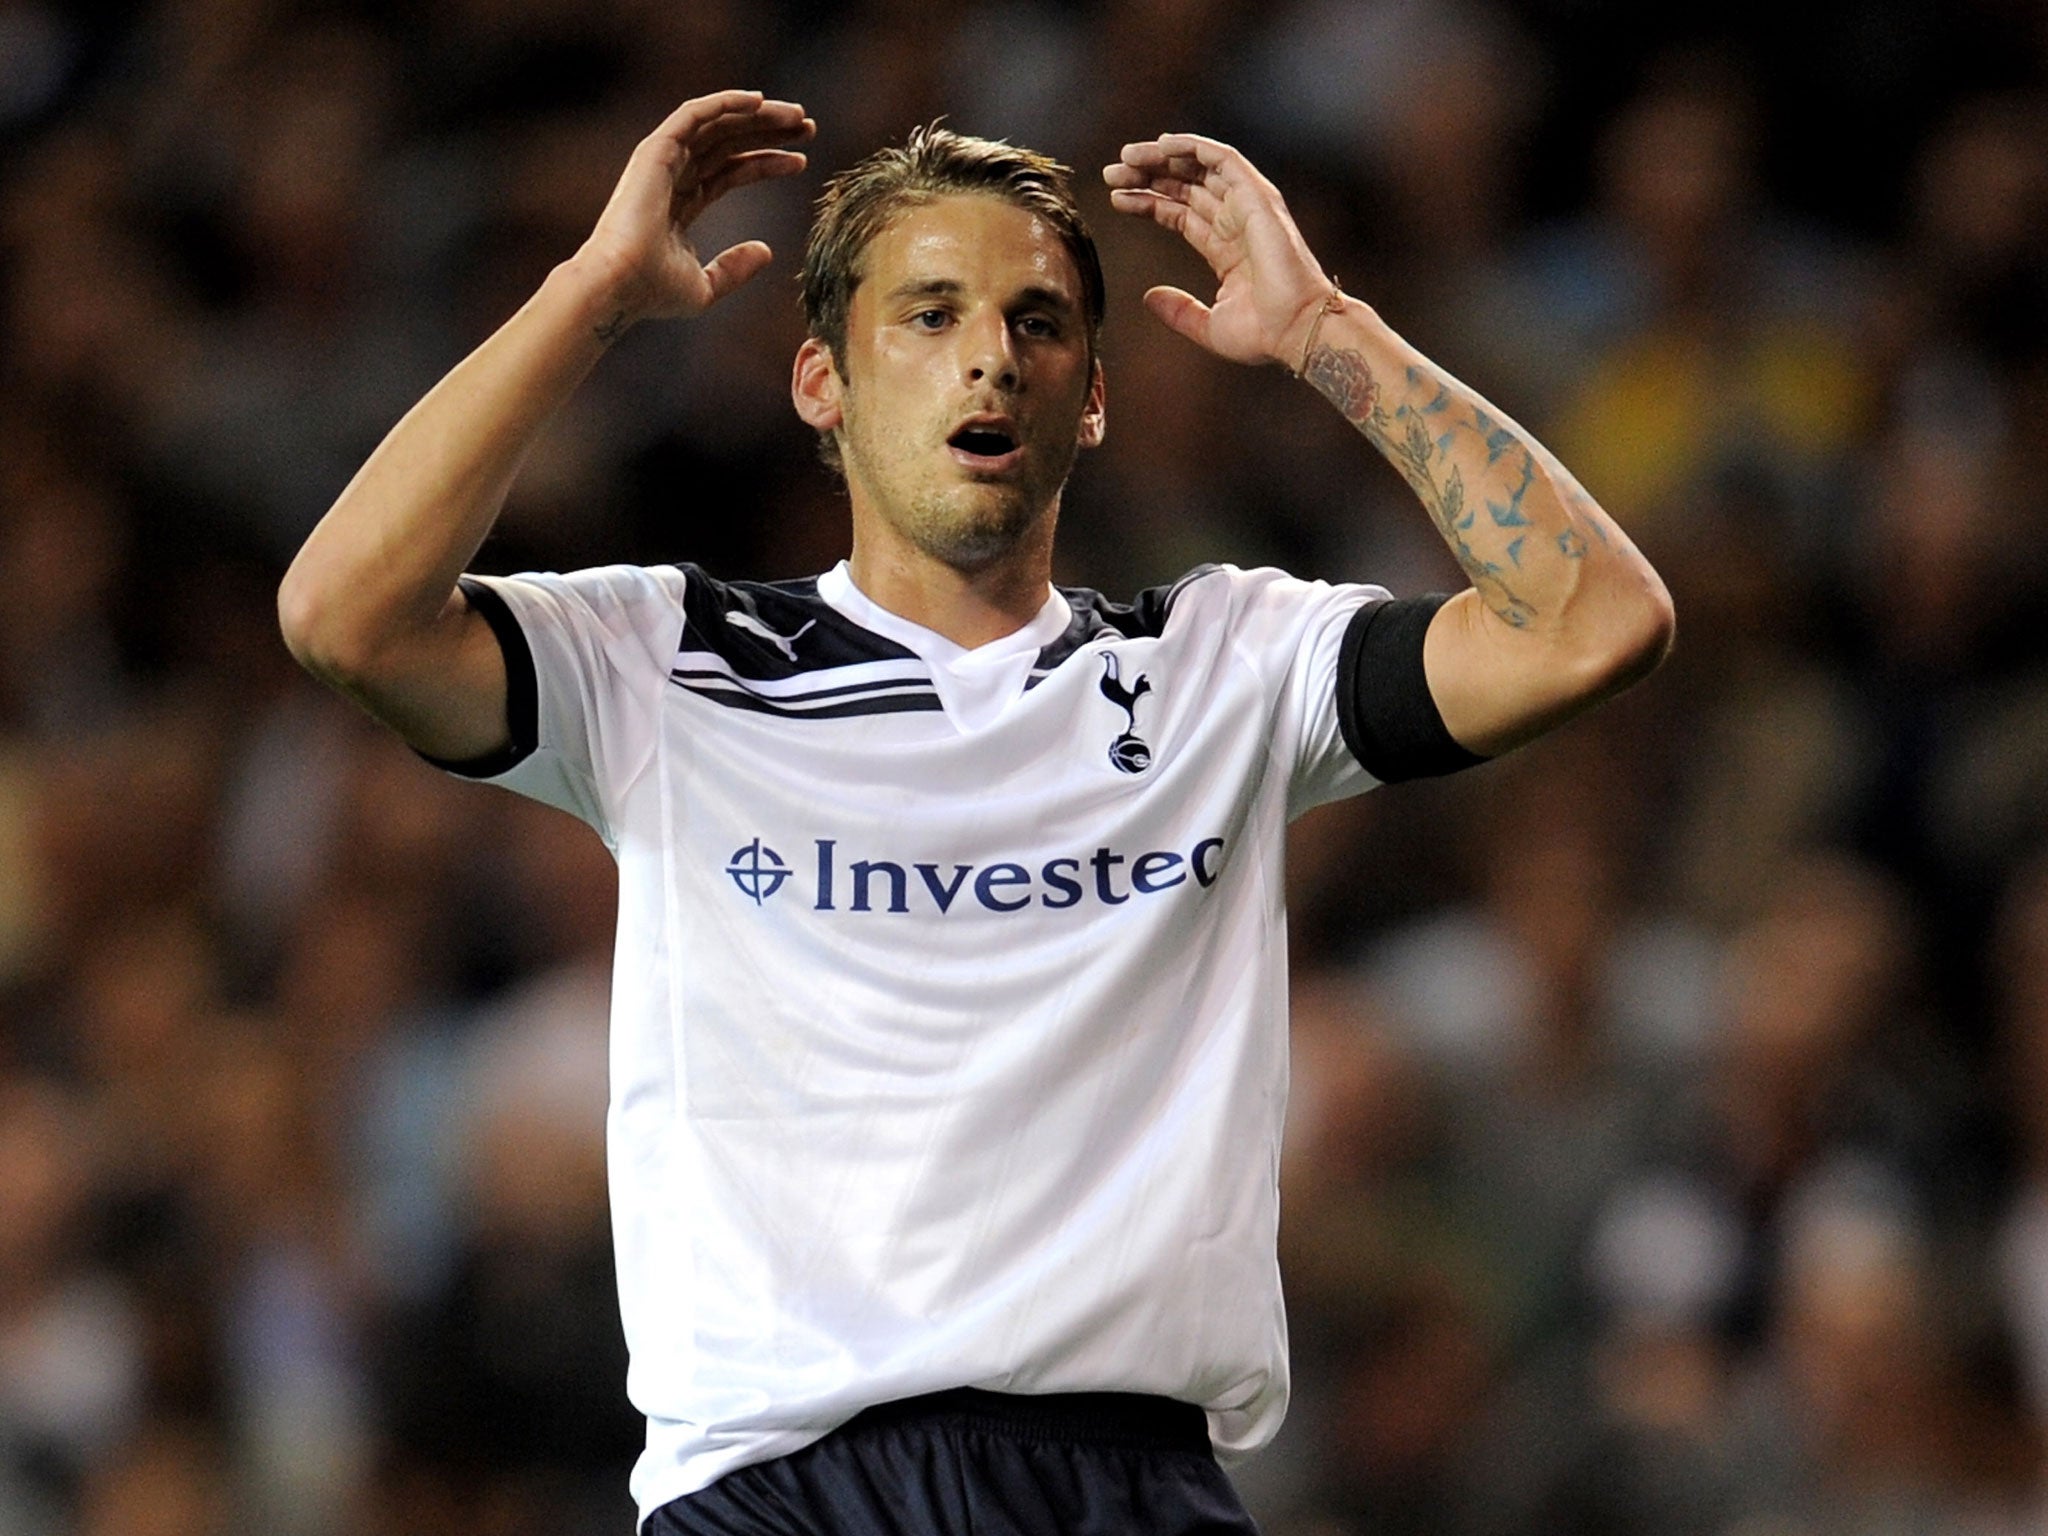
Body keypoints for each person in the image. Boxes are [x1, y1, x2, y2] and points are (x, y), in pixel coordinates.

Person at [279, 88, 1673, 1535]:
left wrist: (1327, 333)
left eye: (1039, 323)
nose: (990, 361)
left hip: (1128, 1490)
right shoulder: (671, 665)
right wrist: (588, 300)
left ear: (1096, 394)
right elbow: (345, 616)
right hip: (772, 1497)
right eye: (930, 316)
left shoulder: (1225, 669)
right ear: (821, 380)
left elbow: (1593, 623)